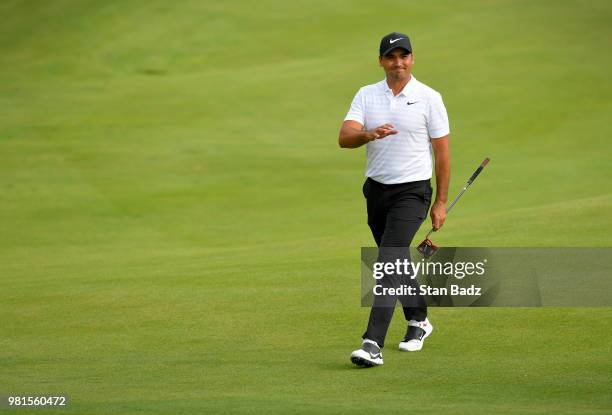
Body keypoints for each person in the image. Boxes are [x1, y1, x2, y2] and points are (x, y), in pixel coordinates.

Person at [338, 32, 451, 367]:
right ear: (381, 61)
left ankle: (372, 343)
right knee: (396, 259)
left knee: (387, 261)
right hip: (376, 191)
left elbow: (442, 154)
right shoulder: (366, 95)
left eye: (404, 56)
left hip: (413, 191)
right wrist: (368, 134)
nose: (398, 63)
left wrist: (440, 202)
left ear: (412, 59)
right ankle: (419, 321)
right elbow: (345, 138)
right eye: (391, 57)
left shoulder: (429, 97)